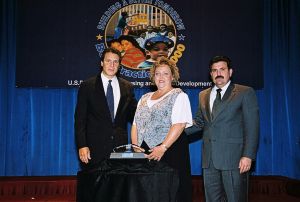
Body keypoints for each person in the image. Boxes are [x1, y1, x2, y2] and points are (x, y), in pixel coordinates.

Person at [193, 56, 260, 202]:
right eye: (214, 70)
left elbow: (252, 127)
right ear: (210, 74)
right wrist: (174, 130)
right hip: (209, 161)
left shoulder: (245, 92)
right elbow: (199, 123)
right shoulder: (203, 95)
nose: (218, 73)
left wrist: (248, 155)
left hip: (234, 159)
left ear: (230, 72)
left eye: (222, 69)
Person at [131, 57, 193, 202]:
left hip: (170, 152)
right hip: (145, 153)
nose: (161, 77)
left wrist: (162, 147)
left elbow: (179, 125)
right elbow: (135, 124)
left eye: (165, 73)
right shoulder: (144, 98)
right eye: (158, 73)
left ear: (172, 76)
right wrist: (135, 146)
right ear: (153, 76)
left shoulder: (180, 96)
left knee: (169, 193)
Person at [74, 48, 137, 168]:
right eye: (108, 61)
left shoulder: (127, 87)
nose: (112, 65)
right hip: (93, 149)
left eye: (115, 62)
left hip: (120, 148)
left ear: (119, 65)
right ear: (102, 63)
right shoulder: (87, 86)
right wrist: (82, 145)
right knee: (95, 186)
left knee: (118, 185)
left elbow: (135, 116)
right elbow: (80, 119)